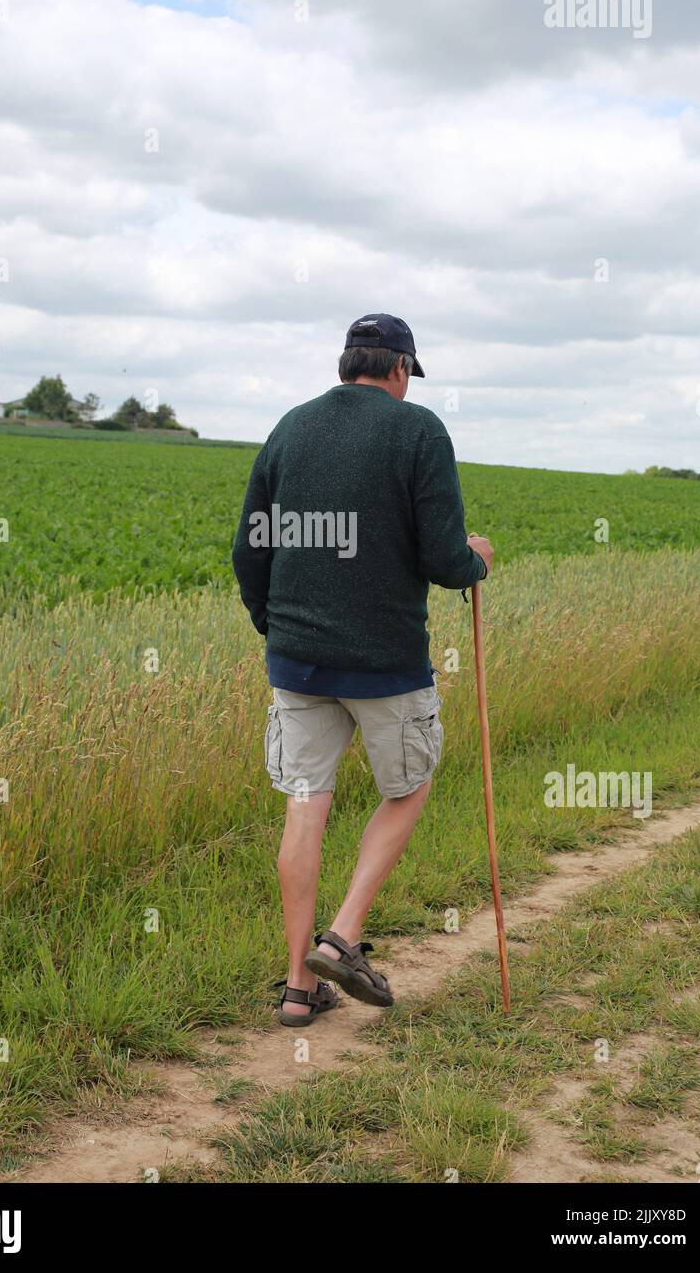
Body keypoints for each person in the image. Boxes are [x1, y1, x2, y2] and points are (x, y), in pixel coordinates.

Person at [232, 314, 493, 1025]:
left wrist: (275, 625)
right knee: (407, 787)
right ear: (401, 369)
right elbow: (445, 561)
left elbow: (248, 550)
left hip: (298, 660)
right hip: (385, 664)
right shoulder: (418, 431)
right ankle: (342, 938)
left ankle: (296, 989)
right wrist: (478, 560)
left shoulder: (290, 426)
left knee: (305, 800)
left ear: (348, 363)